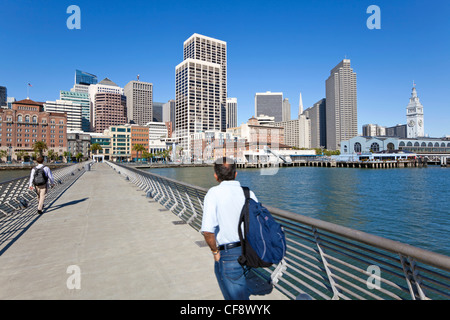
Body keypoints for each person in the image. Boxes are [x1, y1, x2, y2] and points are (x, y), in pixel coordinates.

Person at [201, 157, 259, 300]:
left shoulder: (214, 193)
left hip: (228, 254)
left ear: (216, 175)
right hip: (249, 251)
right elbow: (258, 222)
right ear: (235, 174)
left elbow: (207, 230)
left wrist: (215, 252)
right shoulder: (248, 193)